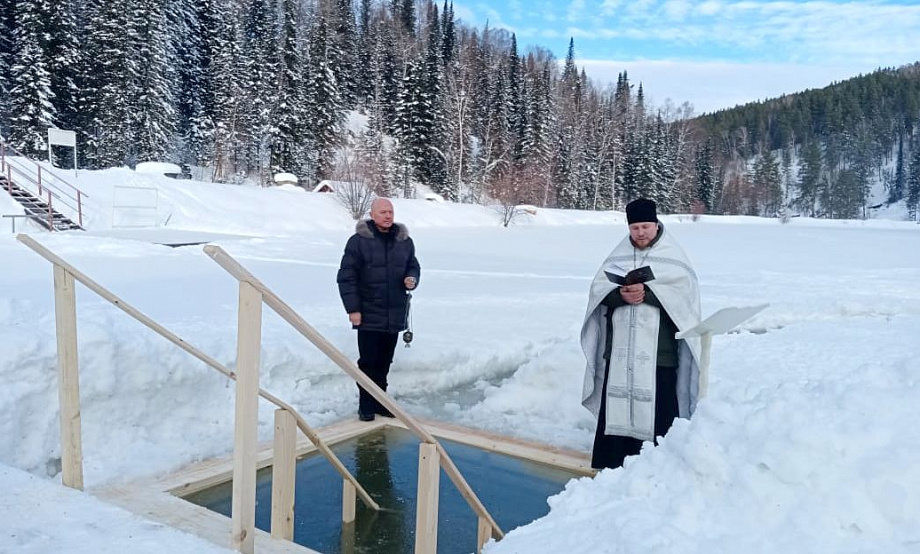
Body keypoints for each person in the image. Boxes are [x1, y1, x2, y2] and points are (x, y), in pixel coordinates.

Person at [580, 198, 702, 469]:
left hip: (659, 353)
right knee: (616, 407)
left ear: (656, 224)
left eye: (646, 226)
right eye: (635, 228)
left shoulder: (673, 257)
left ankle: (658, 467)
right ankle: (611, 464)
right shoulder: (618, 255)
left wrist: (650, 294)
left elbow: (685, 300)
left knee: (660, 412)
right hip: (621, 351)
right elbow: (598, 293)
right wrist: (619, 295)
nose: (641, 233)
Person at [337, 198, 420, 422]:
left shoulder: (404, 241)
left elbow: (413, 264)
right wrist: (353, 309)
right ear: (372, 215)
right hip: (368, 311)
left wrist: (412, 278)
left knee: (385, 361)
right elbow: (346, 277)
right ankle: (366, 405)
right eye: (383, 212)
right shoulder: (358, 241)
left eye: (390, 211)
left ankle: (381, 402)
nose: (388, 216)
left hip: (394, 311)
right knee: (368, 361)